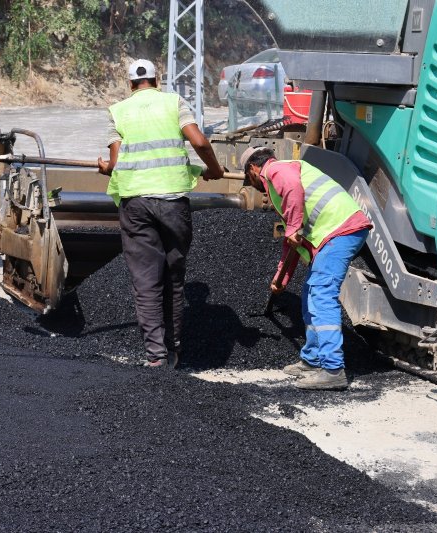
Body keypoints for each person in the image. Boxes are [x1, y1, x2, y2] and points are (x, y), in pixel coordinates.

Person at [98, 59, 224, 368]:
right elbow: (199, 141)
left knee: (146, 282)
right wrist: (215, 170)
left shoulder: (118, 111)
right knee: (174, 278)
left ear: (130, 85)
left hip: (136, 204)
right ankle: (174, 348)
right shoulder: (174, 102)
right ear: (158, 79)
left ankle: (155, 356)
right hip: (172, 203)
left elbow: (114, 164)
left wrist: (104, 168)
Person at [240, 146, 372, 390]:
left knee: (322, 293)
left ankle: (333, 369)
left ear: (252, 169)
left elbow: (293, 215)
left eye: (248, 179)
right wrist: (281, 278)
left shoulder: (277, 170)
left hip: (340, 230)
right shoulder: (282, 183)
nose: (253, 185)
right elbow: (292, 243)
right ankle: (312, 360)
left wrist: (292, 229)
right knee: (310, 293)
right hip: (333, 233)